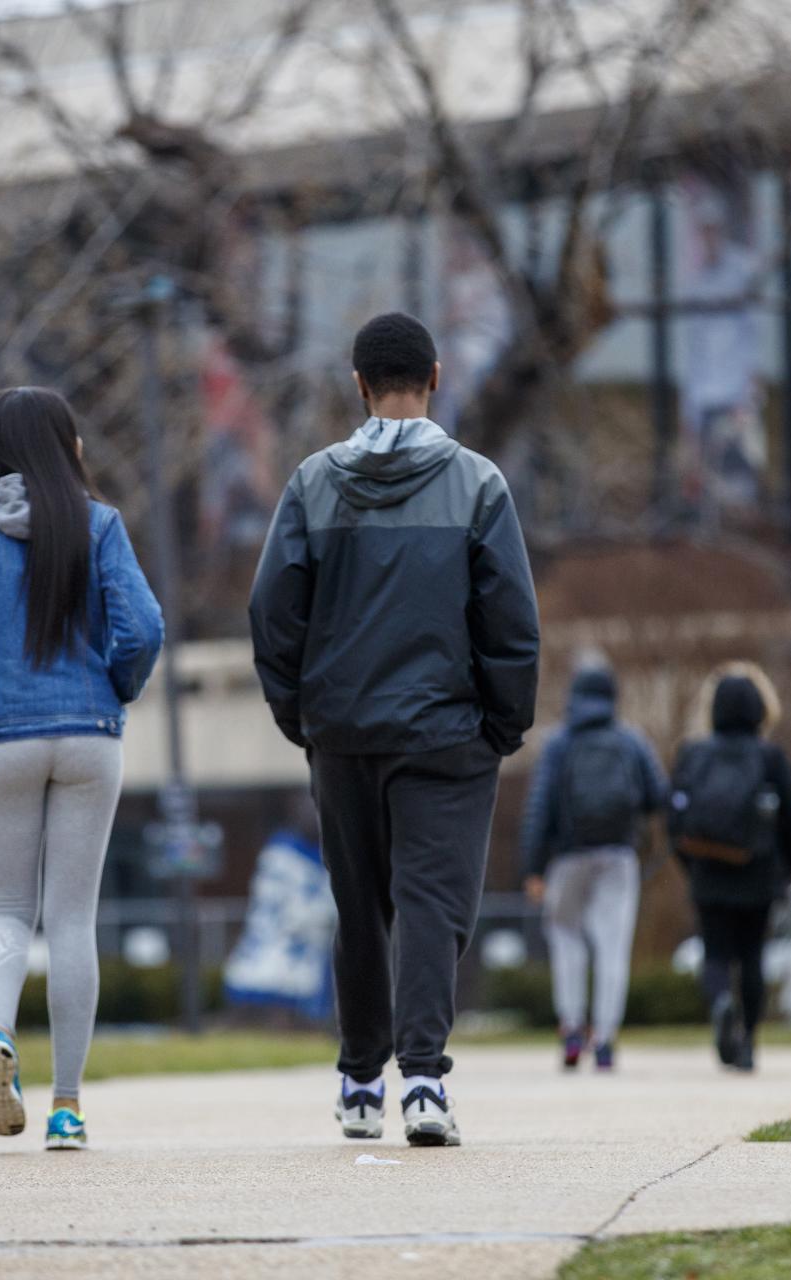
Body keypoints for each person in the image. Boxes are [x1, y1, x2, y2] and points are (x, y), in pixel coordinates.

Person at [249, 312, 540, 1148]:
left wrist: (297, 714)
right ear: (437, 378)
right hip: (447, 733)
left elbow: (273, 613)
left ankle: (358, 1081)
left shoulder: (310, 483)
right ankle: (423, 1084)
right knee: (430, 904)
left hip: (341, 732)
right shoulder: (479, 484)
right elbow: (511, 620)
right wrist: (502, 723)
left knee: (360, 906)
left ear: (358, 383)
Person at [0, 386, 163, 1152]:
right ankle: (69, 1109)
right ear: (65, 448)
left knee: (6, 911)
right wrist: (118, 683)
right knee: (72, 919)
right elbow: (143, 626)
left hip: (2, 736)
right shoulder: (98, 523)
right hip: (89, 734)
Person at [519, 660, 667, 1072]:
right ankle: (604, 1038)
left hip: (568, 857)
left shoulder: (558, 743)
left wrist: (533, 868)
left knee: (566, 938)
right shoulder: (631, 741)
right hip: (618, 856)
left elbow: (539, 808)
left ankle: (570, 1028)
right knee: (612, 946)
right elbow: (659, 795)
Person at [667, 662, 791, 1072]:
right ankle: (746, 1042)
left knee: (714, 954)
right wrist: (784, 867)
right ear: (758, 710)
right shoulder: (770, 757)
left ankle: (721, 1002)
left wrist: (692, 866)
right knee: (751, 957)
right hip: (758, 872)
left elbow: (674, 821)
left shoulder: (693, 753)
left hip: (708, 871)